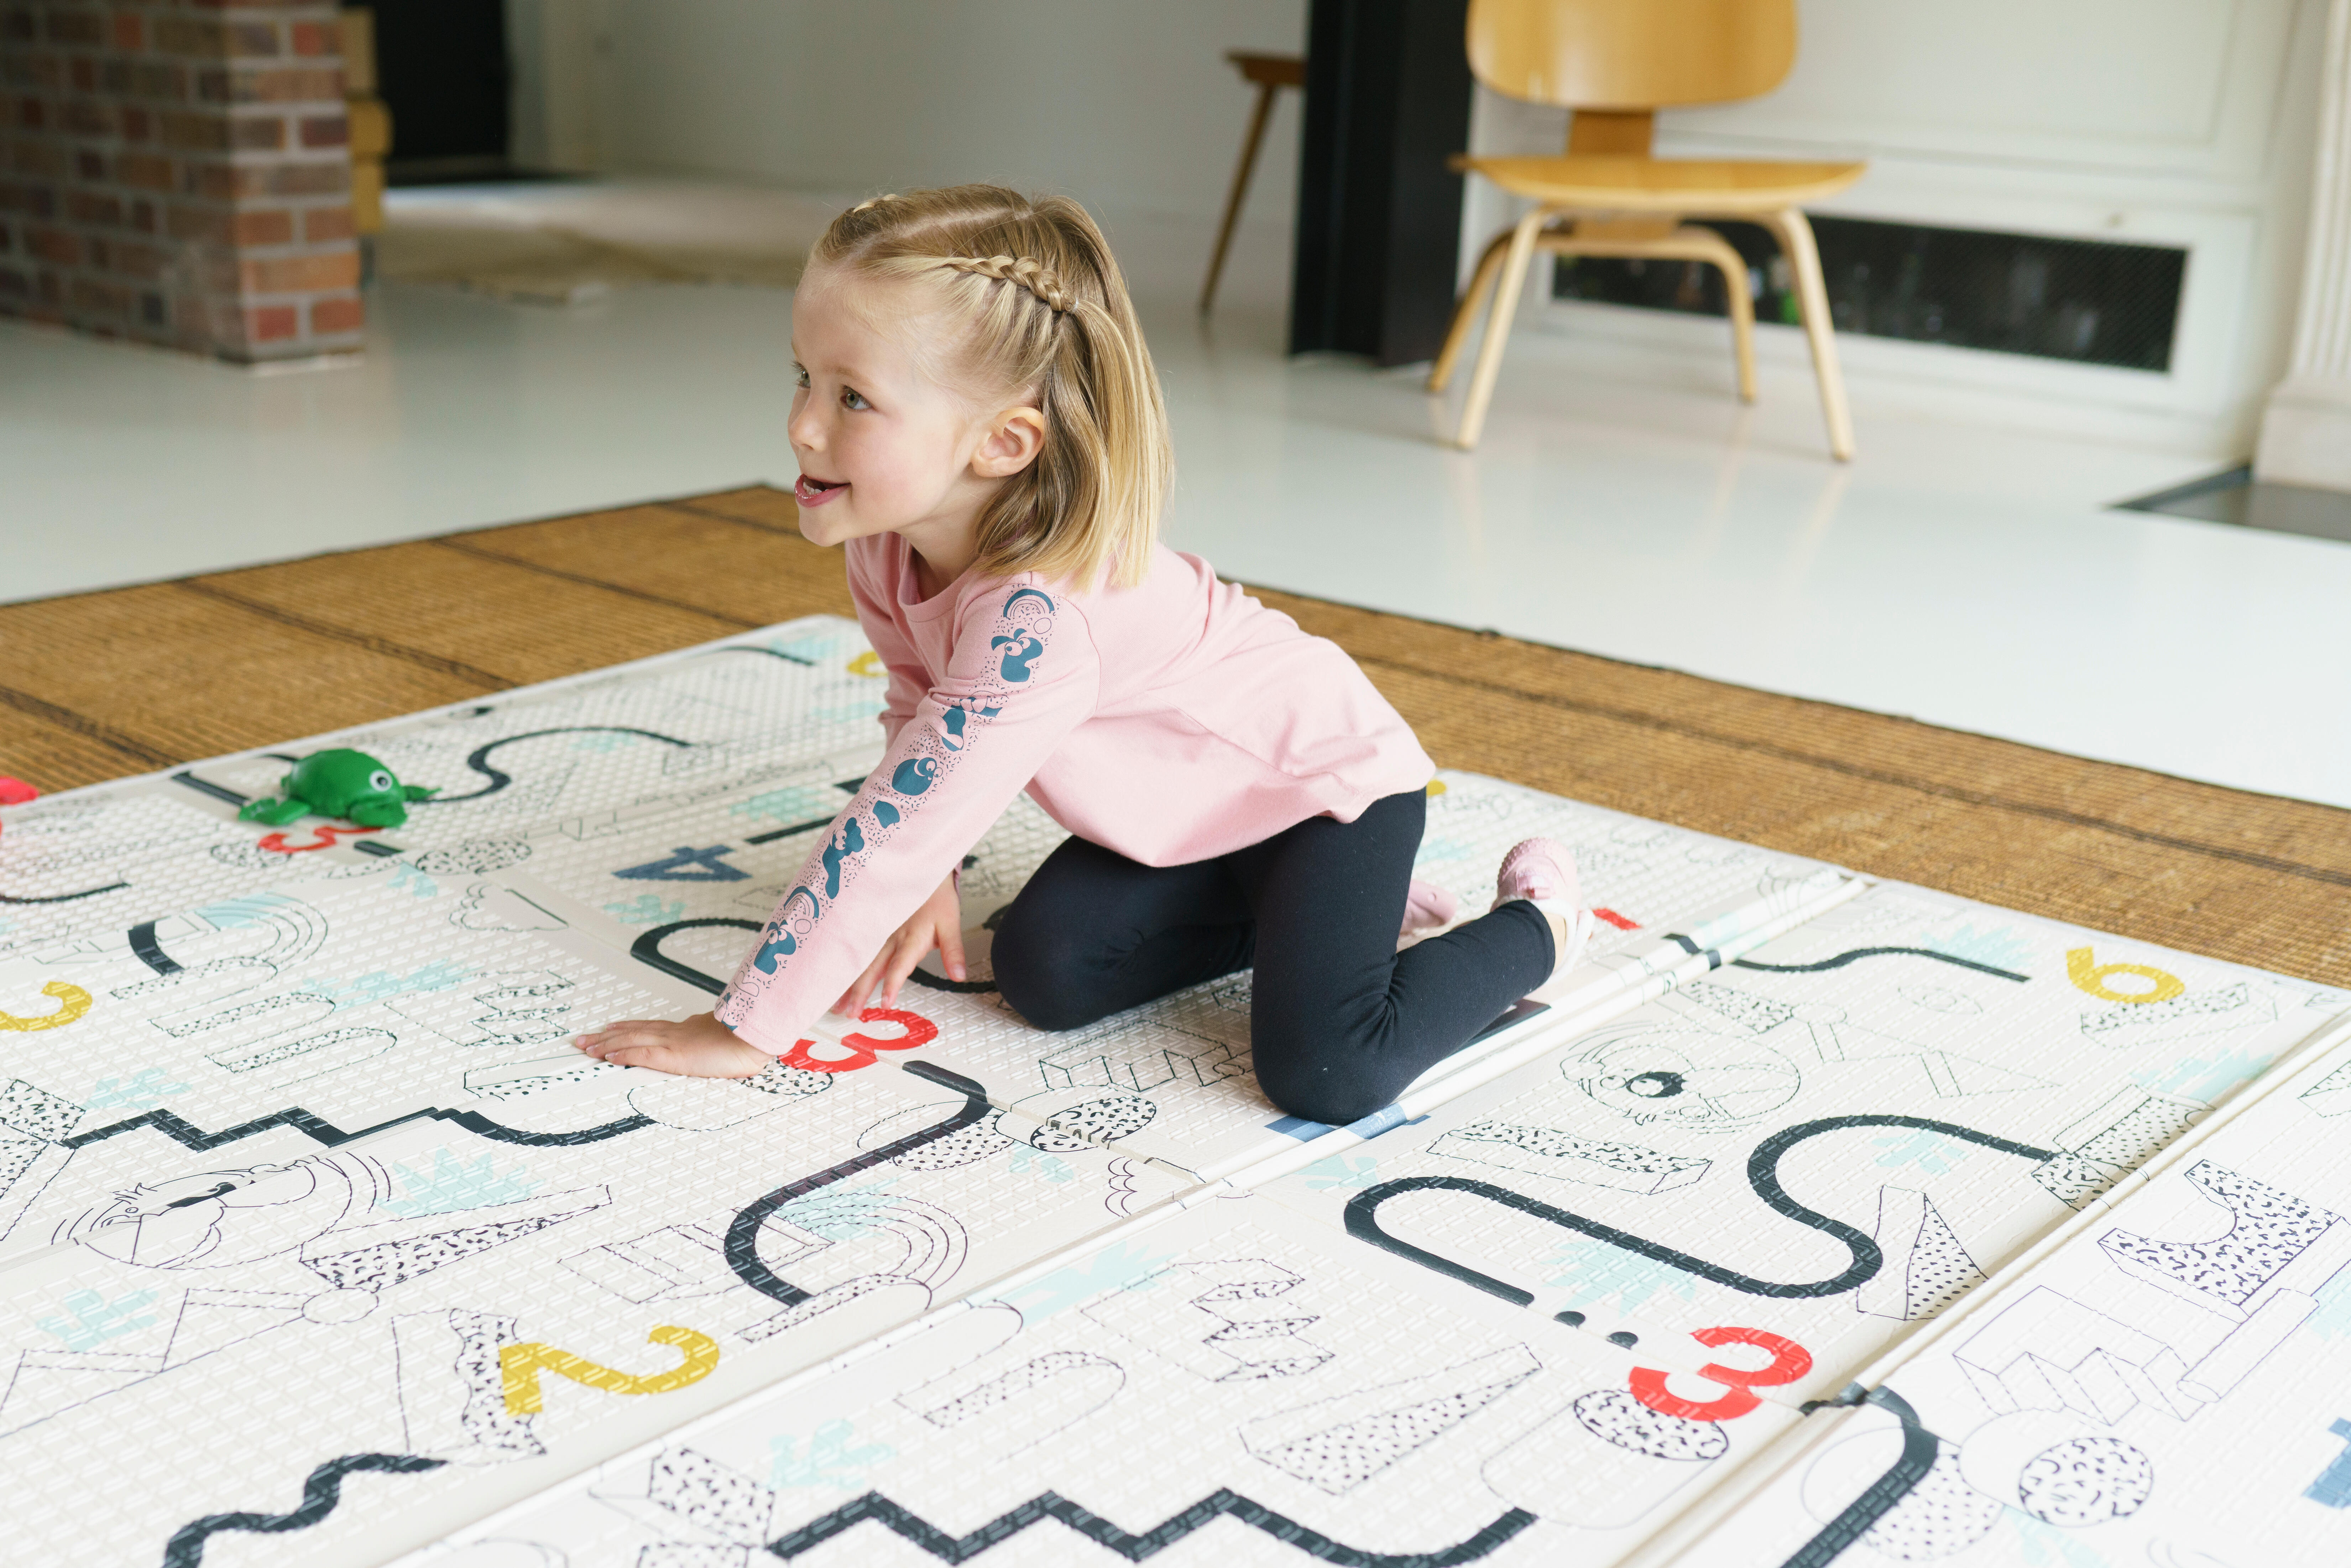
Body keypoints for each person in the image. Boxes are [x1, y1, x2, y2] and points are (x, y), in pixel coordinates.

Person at [573, 185, 1591, 1125]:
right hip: (1193, 817)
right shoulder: (887, 539)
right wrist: (933, 875)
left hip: (1327, 792)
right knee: (1043, 970)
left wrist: (744, 1027)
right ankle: (1304, 920)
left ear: (1004, 444)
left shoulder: (1040, 626)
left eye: (853, 399)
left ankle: (1535, 925)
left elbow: (896, 826)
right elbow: (917, 709)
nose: (800, 426)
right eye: (805, 377)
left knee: (1327, 1069)